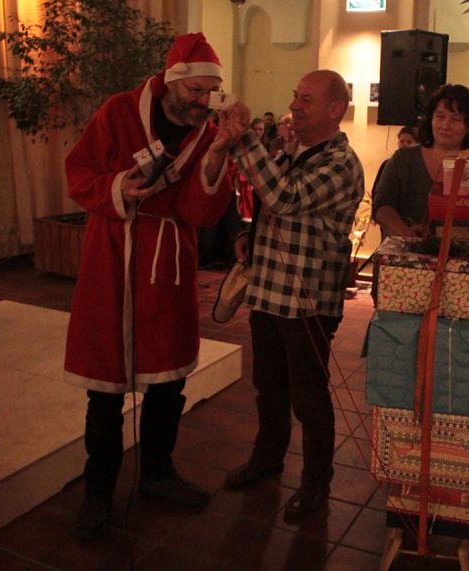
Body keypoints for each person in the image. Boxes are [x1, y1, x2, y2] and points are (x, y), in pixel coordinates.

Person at [63, 33, 234, 541]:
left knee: (167, 383)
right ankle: (98, 490)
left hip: (168, 261)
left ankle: (158, 472)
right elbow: (78, 171)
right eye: (195, 91)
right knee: (104, 390)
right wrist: (118, 186)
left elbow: (201, 212)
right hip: (112, 255)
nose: (202, 102)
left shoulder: (207, 133)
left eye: (210, 93)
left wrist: (216, 158)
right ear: (172, 82)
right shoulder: (118, 111)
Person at [216, 70, 364, 522]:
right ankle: (267, 458)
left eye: (307, 99)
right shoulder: (294, 150)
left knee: (309, 399)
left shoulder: (341, 162)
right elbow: (273, 211)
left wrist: (243, 137)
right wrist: (251, 234)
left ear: (334, 109)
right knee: (269, 388)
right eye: (295, 96)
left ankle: (316, 483)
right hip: (268, 292)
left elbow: (285, 198)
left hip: (307, 303)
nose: (295, 105)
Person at [372, 84, 469, 238]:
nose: (445, 125)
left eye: (456, 119)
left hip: (464, 251)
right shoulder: (403, 159)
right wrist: (407, 233)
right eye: (440, 116)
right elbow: (381, 206)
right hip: (406, 250)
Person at [370, 125, 418, 205]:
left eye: (409, 142)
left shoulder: (419, 166)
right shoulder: (387, 164)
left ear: (416, 144)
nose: (404, 144)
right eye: (402, 141)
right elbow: (376, 190)